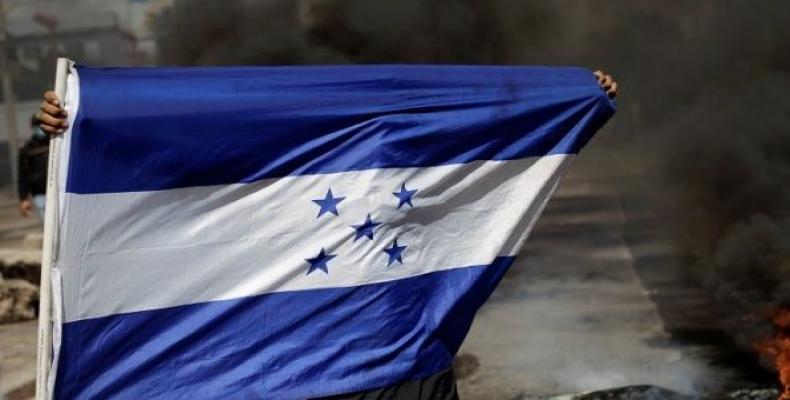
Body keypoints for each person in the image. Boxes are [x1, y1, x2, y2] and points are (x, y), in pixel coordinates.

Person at [36, 70, 618, 400]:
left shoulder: (424, 193)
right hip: (324, 373)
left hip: (402, 371)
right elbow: (173, 150)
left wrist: (574, 95)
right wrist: (74, 124)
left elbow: (493, 124)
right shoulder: (275, 296)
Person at [18, 114, 51, 220]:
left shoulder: (56, 142)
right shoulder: (27, 149)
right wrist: (24, 199)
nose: (40, 128)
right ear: (32, 127)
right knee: (48, 225)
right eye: (37, 125)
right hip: (40, 193)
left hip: (59, 191)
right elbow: (23, 175)